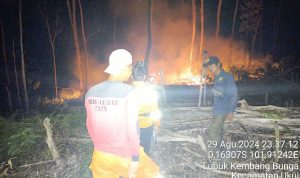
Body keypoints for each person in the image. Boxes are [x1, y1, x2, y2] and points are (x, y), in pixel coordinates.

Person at [85, 49, 160, 178]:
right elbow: (132, 129)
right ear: (125, 68)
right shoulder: (130, 92)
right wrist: (135, 159)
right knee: (154, 174)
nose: (131, 71)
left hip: (101, 156)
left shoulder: (91, 92)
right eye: (130, 67)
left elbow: (90, 127)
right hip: (126, 155)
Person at [203, 56, 238, 148]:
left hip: (222, 111)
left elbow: (234, 94)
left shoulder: (226, 76)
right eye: (209, 66)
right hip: (217, 110)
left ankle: (218, 153)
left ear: (218, 64)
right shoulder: (217, 77)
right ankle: (222, 153)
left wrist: (231, 111)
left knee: (212, 131)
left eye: (212, 65)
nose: (210, 68)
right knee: (219, 132)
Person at [132, 60, 161, 156]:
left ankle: (134, 164)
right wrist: (157, 125)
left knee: (134, 149)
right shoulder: (150, 92)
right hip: (147, 125)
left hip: (131, 126)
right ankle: (145, 162)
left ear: (132, 77)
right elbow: (155, 111)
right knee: (145, 149)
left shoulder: (126, 91)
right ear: (144, 77)